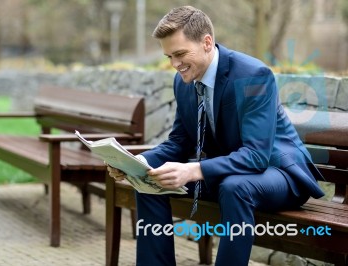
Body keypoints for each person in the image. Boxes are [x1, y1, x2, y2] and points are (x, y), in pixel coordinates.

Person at [107, 5, 325, 266]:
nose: (175, 64)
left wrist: (194, 170)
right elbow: (179, 141)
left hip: (279, 172)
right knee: (151, 180)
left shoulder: (253, 75)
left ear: (207, 43)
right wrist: (138, 164)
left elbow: (257, 155)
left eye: (180, 54)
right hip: (228, 173)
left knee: (235, 187)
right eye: (169, 57)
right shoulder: (184, 81)